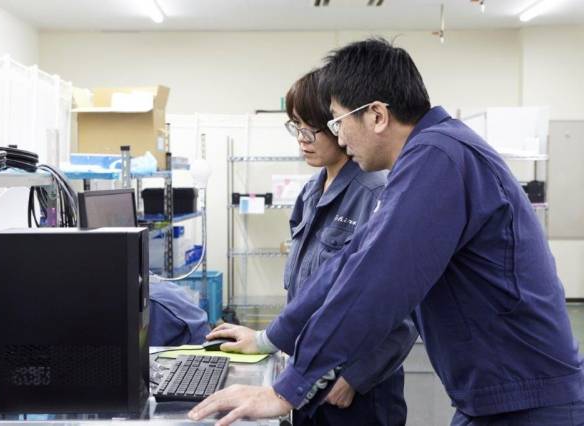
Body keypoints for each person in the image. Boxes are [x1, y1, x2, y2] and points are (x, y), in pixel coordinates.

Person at [189, 38, 584, 426]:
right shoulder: (429, 156)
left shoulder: (438, 158)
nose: (339, 137)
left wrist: (287, 390)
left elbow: (375, 282)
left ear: (377, 115)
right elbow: (350, 262)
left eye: (337, 121)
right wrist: (270, 339)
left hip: (528, 403)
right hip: (496, 397)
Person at [207, 69, 417, 425]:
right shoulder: (310, 193)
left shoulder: (376, 193)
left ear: (339, 124)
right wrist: (266, 339)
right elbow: (307, 293)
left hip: (356, 394)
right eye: (296, 127)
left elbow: (403, 312)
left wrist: (356, 377)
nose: (302, 140)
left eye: (311, 129)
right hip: (307, 378)